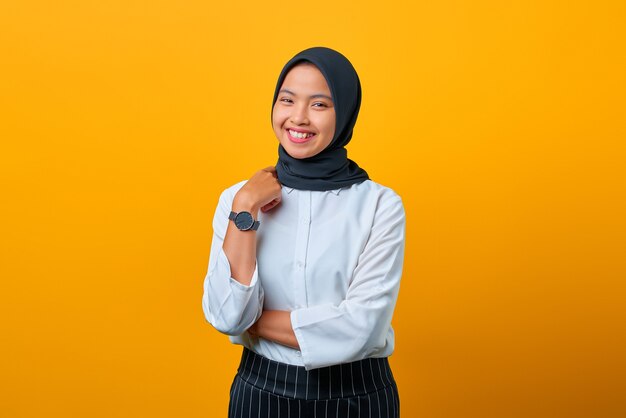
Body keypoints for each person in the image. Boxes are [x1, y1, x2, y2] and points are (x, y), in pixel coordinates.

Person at [202, 46, 406, 418]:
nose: (298, 117)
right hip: (259, 393)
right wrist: (245, 209)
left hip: (358, 396)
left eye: (319, 105)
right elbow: (224, 314)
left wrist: (250, 321)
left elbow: (360, 330)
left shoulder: (380, 205)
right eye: (287, 99)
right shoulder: (237, 198)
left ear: (344, 113)